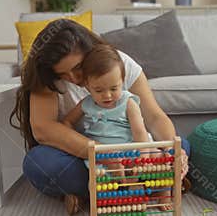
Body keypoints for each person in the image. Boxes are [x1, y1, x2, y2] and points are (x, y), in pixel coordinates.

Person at [10, 19, 191, 215]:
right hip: (83, 158)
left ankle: (96, 193)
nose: (74, 77)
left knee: (181, 146)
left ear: (91, 50)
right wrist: (102, 154)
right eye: (63, 74)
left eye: (78, 67)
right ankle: (129, 188)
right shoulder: (45, 77)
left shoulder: (118, 64)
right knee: (38, 162)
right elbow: (43, 130)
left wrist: (172, 151)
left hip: (133, 154)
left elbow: (154, 117)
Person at [63, 44, 172, 210]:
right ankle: (119, 197)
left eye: (114, 88)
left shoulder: (128, 102)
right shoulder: (86, 104)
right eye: (98, 90)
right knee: (102, 182)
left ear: (122, 81)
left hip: (133, 149)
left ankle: (163, 193)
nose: (107, 95)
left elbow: (140, 132)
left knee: (162, 160)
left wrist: (142, 158)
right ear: (87, 85)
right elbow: (67, 122)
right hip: (104, 155)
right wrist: (71, 136)